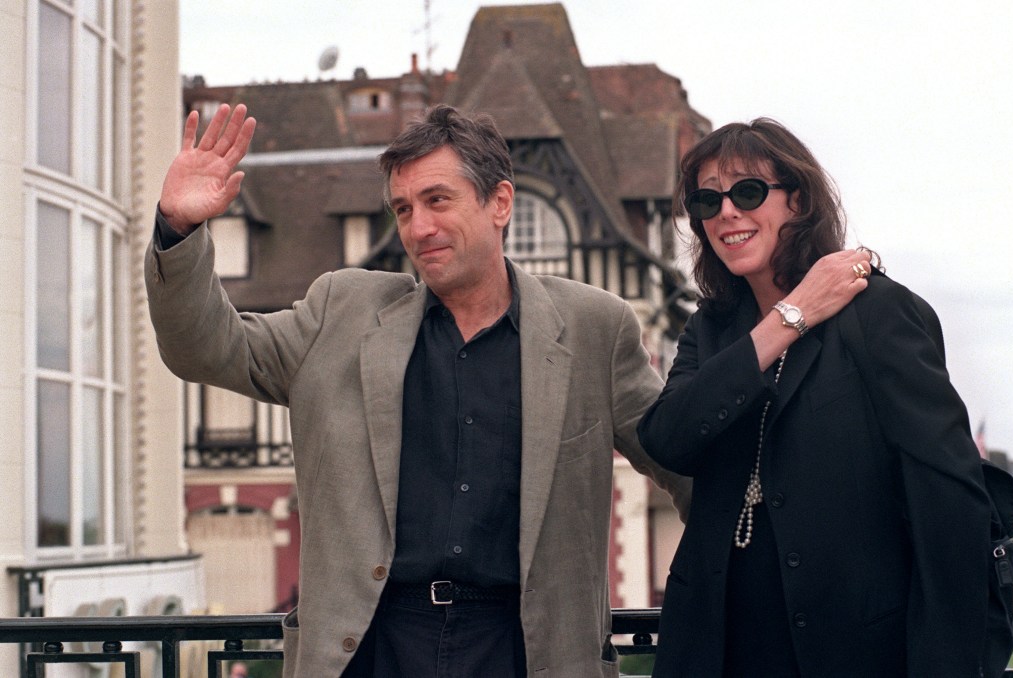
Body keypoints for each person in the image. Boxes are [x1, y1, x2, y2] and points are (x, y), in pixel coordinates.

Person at [146, 102, 690, 678]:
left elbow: (681, 462)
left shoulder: (594, 328)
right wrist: (179, 228)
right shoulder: (341, 312)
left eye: (437, 200)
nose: (418, 227)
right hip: (373, 648)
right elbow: (204, 347)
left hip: (526, 652)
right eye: (403, 209)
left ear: (500, 203)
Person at [637, 118, 990, 677]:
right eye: (708, 201)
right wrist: (786, 320)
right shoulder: (712, 329)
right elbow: (667, 439)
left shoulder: (879, 313)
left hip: (852, 651)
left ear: (797, 202)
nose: (727, 212)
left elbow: (948, 499)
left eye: (748, 192)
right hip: (718, 650)